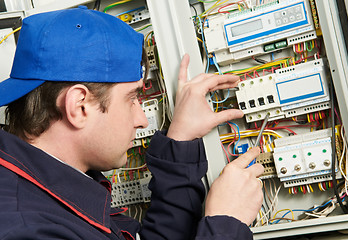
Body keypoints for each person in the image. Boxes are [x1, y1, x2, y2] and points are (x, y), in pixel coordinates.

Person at [0, 6, 264, 240]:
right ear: (79, 106)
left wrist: (181, 139)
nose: (140, 119)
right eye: (132, 98)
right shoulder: (26, 227)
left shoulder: (46, 187)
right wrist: (227, 225)